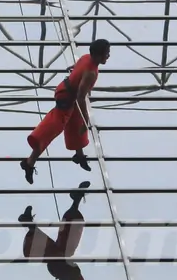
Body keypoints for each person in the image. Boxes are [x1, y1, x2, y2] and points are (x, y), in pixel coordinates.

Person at [20, 40, 110, 185]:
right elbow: (81, 97)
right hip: (67, 98)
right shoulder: (91, 73)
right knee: (50, 130)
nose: (108, 56)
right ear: (99, 56)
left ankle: (79, 155)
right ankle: (28, 163)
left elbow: (75, 68)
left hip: (66, 92)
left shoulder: (86, 58)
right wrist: (86, 119)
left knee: (76, 123)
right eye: (106, 54)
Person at [18, 181, 96, 280]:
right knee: (67, 236)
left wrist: (69, 268)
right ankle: (76, 199)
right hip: (62, 266)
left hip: (62, 267)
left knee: (66, 239)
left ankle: (29, 223)